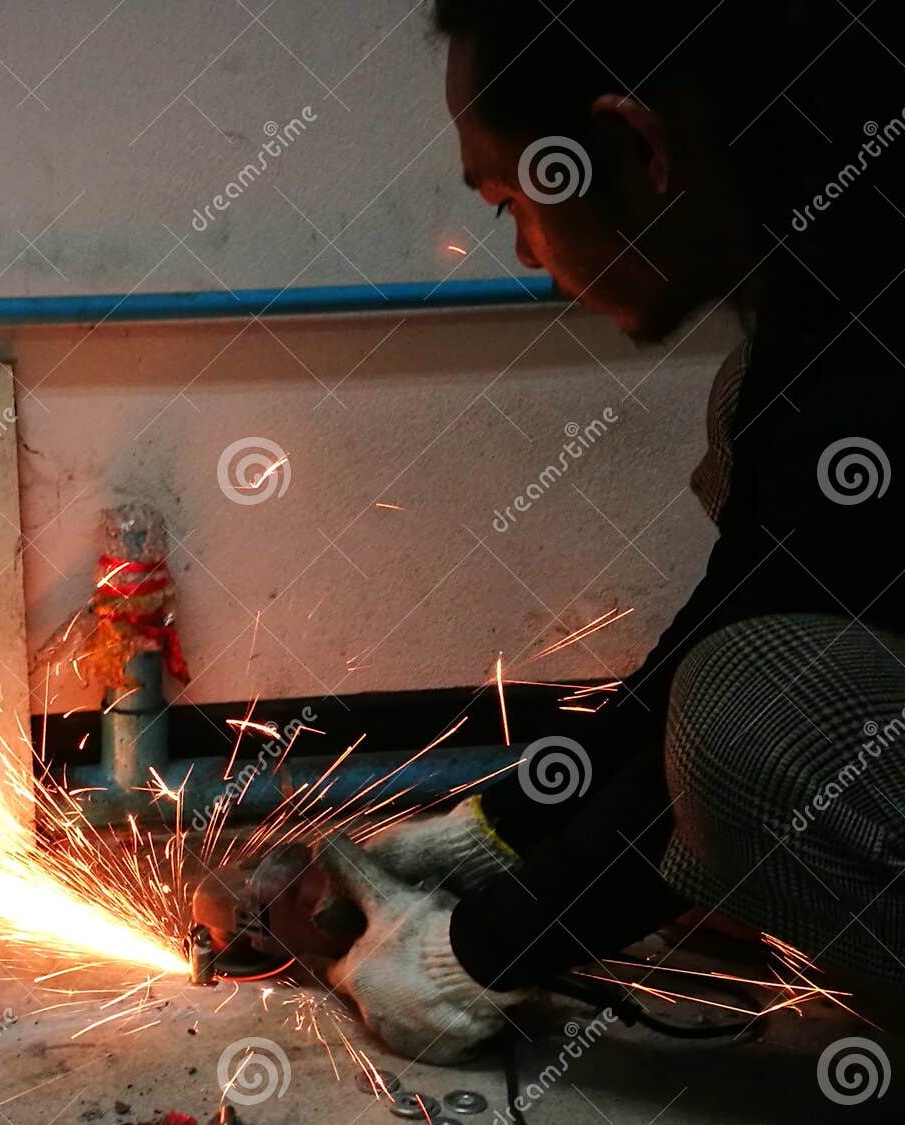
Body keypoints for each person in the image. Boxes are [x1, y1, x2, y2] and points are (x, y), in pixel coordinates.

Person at [324, 0, 905, 1064]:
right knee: (749, 425)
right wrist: (503, 827)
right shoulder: (839, 254)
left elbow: (771, 663)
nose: (527, 253)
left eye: (511, 202)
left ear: (637, 145)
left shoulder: (874, 357)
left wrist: (473, 957)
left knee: (749, 726)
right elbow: (766, 585)